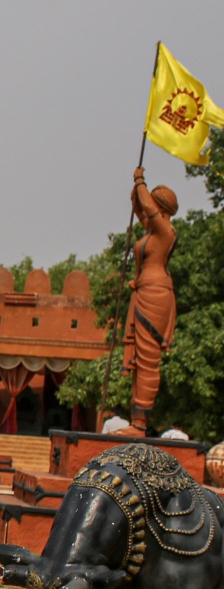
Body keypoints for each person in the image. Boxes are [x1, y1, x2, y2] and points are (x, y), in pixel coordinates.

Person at [124, 165, 179, 434]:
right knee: (138, 360)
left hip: (156, 296)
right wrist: (137, 192)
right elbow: (139, 207)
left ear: (163, 211)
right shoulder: (150, 233)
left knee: (147, 359)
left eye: (153, 210)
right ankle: (136, 421)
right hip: (143, 293)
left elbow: (147, 206)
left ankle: (140, 423)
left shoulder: (165, 233)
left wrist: (140, 180)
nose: (148, 214)